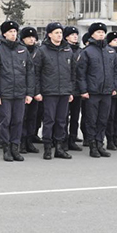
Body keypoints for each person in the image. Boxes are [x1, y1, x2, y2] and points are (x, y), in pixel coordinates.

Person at [0, 20, 34, 162]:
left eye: (15, 32)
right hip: (4, 94)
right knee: (5, 121)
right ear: (4, 34)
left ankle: (15, 148)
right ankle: (6, 148)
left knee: (18, 121)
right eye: (10, 32)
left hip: (20, 93)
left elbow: (30, 72)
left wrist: (29, 93)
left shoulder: (22, 49)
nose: (13, 34)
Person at [76, 22, 117, 158]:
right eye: (98, 32)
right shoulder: (87, 52)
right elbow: (81, 73)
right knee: (91, 120)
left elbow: (116, 72)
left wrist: (114, 87)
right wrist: (83, 90)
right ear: (92, 34)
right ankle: (92, 146)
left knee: (103, 120)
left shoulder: (110, 51)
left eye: (103, 32)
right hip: (92, 92)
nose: (101, 34)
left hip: (106, 92)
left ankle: (100, 144)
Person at [34, 22, 76, 160]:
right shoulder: (42, 50)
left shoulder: (68, 50)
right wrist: (38, 91)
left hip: (64, 91)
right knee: (49, 120)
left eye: (60, 32)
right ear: (50, 34)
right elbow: (36, 73)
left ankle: (59, 148)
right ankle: (47, 148)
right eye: (56, 32)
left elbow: (72, 73)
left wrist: (70, 91)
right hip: (49, 91)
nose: (59, 35)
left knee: (62, 120)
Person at [64, 25, 83, 151]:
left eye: (76, 34)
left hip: (78, 89)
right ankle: (62, 139)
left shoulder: (81, 51)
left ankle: (73, 138)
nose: (75, 36)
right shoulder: (64, 50)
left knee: (75, 117)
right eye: (72, 35)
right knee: (63, 117)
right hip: (65, 89)